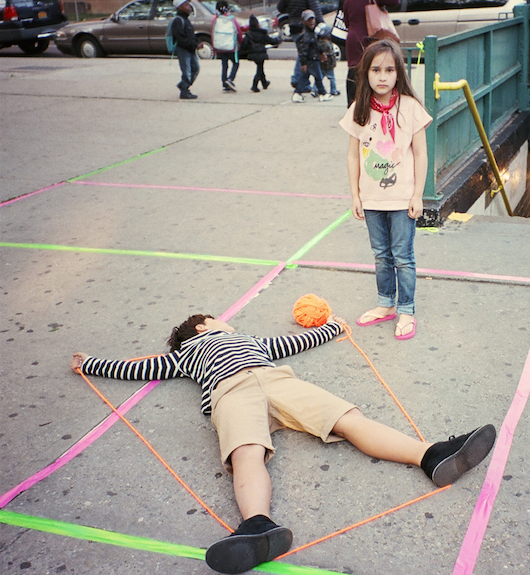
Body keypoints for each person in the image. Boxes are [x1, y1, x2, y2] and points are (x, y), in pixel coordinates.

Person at [70, 312, 495, 574]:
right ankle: (258, 526)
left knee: (347, 419)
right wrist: (90, 364)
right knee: (246, 453)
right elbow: (136, 369)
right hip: (230, 391)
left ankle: (431, 456)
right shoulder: (186, 354)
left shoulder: (254, 342)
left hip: (275, 379)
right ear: (202, 326)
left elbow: (295, 342)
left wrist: (331, 328)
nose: (227, 323)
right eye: (218, 319)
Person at [339, 39, 430, 341]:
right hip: (372, 198)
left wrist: (417, 194)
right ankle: (386, 304)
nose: (382, 76)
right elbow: (353, 156)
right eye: (375, 70)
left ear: (398, 73)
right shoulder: (359, 109)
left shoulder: (411, 108)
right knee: (381, 255)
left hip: (402, 198)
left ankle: (406, 309)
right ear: (365, 73)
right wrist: (355, 195)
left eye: (389, 70)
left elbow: (421, 154)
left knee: (402, 256)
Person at [341, 0, 399, 106]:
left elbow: (346, 21)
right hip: (370, 37)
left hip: (353, 39)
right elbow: (395, 2)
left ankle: (353, 106)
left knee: (354, 72)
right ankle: (373, 105)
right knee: (373, 71)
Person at [276, 0, 325, 89]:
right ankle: (299, 81)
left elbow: (280, 7)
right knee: (304, 53)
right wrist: (322, 24)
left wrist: (292, 11)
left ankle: (297, 79)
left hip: (293, 26)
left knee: (302, 53)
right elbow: (315, 9)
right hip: (304, 27)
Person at [293, 10, 331, 102]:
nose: (312, 21)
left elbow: (316, 45)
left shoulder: (312, 34)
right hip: (311, 60)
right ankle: (322, 93)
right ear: (303, 21)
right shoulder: (306, 36)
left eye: (313, 19)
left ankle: (297, 94)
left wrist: (321, 53)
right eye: (309, 20)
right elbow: (303, 51)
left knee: (304, 77)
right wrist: (303, 63)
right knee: (318, 77)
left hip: (312, 59)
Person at [170, 0, 204, 100]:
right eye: (186, 5)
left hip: (190, 49)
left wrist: (197, 42)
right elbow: (181, 39)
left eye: (189, 5)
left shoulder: (186, 20)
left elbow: (191, 36)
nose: (189, 7)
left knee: (195, 69)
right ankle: (184, 91)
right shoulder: (178, 21)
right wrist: (194, 44)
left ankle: (183, 85)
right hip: (183, 50)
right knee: (187, 71)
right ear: (179, 7)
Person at [240, 16, 281, 93]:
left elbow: (244, 45)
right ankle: (254, 85)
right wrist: (279, 39)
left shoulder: (248, 34)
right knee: (259, 68)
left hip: (252, 53)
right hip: (261, 53)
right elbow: (271, 41)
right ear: (257, 24)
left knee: (260, 67)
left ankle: (264, 83)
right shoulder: (262, 33)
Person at [211, 0, 243, 92]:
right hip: (231, 47)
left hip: (220, 47)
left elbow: (213, 34)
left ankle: (224, 83)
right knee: (236, 63)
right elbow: (238, 32)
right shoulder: (232, 19)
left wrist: (214, 48)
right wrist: (240, 42)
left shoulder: (215, 20)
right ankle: (230, 79)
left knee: (224, 65)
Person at [316, 23, 340, 96]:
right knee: (332, 78)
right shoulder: (326, 44)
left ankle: (315, 89)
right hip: (328, 65)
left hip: (322, 65)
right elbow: (330, 54)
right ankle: (333, 90)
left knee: (320, 77)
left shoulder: (320, 43)